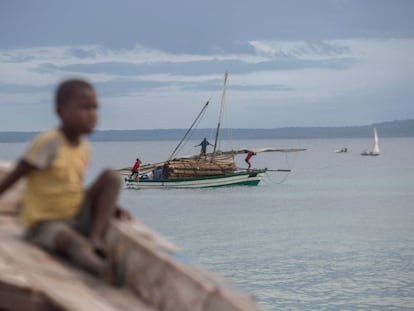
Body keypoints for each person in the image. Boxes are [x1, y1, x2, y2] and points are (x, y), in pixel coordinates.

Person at [0, 79, 130, 285]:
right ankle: (103, 271)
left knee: (112, 178)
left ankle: (95, 238)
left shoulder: (84, 148)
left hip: (75, 213)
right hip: (45, 223)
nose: (92, 114)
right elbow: (17, 174)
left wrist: (110, 206)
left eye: (95, 108)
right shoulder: (50, 142)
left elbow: (73, 186)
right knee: (73, 243)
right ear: (61, 111)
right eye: (84, 108)